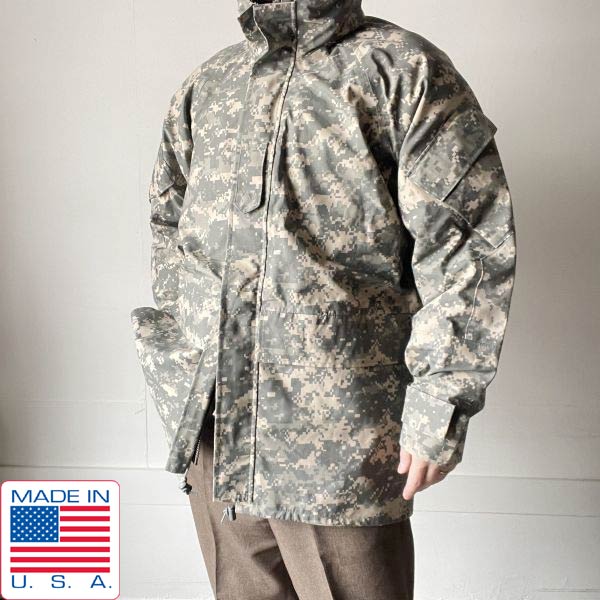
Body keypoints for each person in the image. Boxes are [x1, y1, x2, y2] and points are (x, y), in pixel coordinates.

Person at [130, 0, 517, 598]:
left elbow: (466, 244)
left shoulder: (402, 69)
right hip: (216, 429)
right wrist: (182, 362)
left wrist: (441, 399)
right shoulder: (210, 83)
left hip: (339, 441)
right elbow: (170, 225)